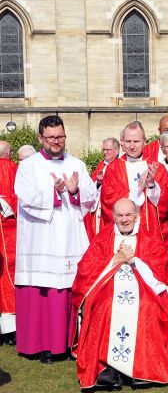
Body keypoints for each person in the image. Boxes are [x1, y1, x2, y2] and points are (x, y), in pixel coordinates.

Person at [14, 115, 96, 364]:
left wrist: (74, 191)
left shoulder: (77, 164)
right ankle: (43, 346)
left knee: (70, 287)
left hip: (70, 236)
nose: (56, 142)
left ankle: (71, 341)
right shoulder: (28, 166)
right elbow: (25, 197)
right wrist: (54, 192)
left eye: (60, 136)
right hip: (41, 238)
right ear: (40, 138)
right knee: (44, 289)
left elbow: (91, 197)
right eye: (50, 137)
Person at [71, 198, 168, 390]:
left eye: (128, 215)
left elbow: (162, 272)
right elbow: (86, 271)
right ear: (113, 216)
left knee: (147, 307)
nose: (124, 219)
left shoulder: (149, 239)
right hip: (109, 288)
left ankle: (142, 369)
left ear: (137, 216)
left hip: (143, 288)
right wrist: (114, 260)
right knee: (105, 306)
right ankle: (107, 369)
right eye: (119, 215)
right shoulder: (103, 239)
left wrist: (134, 260)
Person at [100, 121, 168, 245]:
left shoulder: (156, 167)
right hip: (123, 235)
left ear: (144, 141)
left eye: (136, 141)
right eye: (128, 141)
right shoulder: (113, 169)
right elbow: (107, 202)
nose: (132, 146)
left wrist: (151, 185)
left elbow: (167, 203)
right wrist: (137, 189)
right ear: (122, 141)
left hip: (150, 232)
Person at [0, 141, 17, 345]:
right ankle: (10, 331)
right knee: (9, 275)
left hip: (8, 228)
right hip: (11, 229)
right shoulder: (15, 169)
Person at [85, 138, 120, 238]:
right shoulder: (101, 165)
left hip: (111, 208)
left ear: (116, 151)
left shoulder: (120, 165)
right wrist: (99, 182)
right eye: (103, 150)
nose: (105, 152)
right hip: (98, 207)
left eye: (108, 150)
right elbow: (91, 185)